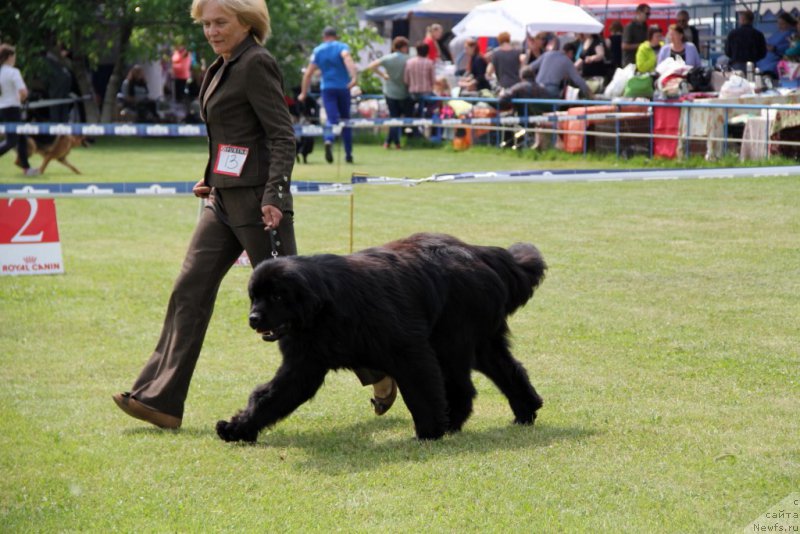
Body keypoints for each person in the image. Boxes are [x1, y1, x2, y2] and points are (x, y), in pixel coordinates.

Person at [112, 0, 397, 430]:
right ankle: (160, 400)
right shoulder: (218, 67)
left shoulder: (256, 63)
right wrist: (209, 176)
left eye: (221, 22)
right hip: (221, 202)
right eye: (206, 23)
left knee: (309, 310)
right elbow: (228, 135)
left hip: (260, 207)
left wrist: (275, 196)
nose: (211, 31)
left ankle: (381, 370)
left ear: (247, 23)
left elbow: (282, 135)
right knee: (188, 291)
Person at [298, 26, 358, 164]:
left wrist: (303, 92)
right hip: (344, 88)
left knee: (331, 119)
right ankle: (348, 154)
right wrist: (354, 77)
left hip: (327, 89)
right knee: (346, 120)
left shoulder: (318, 50)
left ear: (324, 37)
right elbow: (347, 58)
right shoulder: (342, 47)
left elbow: (308, 73)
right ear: (335, 36)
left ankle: (328, 140)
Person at [0, 44, 39, 177]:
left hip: (3, 108)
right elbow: (23, 92)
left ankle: (27, 169)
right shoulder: (13, 72)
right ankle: (27, 168)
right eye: (14, 56)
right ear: (10, 57)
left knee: (22, 138)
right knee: (12, 141)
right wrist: (21, 99)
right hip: (12, 108)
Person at [366, 36, 411, 149]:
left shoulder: (387, 58)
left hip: (390, 92)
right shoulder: (408, 59)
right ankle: (395, 143)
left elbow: (371, 66)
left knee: (393, 117)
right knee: (398, 118)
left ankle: (389, 142)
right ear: (404, 47)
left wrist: (383, 75)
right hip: (404, 91)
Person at [527, 42, 594, 99]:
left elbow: (530, 67)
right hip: (551, 90)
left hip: (537, 87)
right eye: (572, 56)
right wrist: (589, 93)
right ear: (570, 52)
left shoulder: (547, 54)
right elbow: (578, 80)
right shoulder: (567, 61)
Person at [757, 12, 796, 77]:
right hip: (764, 61)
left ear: (788, 24)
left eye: (782, 23)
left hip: (775, 63)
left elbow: (790, 47)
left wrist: (775, 48)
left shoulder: (792, 34)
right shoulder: (777, 33)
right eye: (778, 23)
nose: (779, 25)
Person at [404, 41, 435, 119]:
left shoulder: (409, 62)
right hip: (426, 92)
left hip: (412, 93)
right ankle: (429, 117)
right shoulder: (429, 63)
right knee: (436, 101)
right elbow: (432, 80)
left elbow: (406, 80)